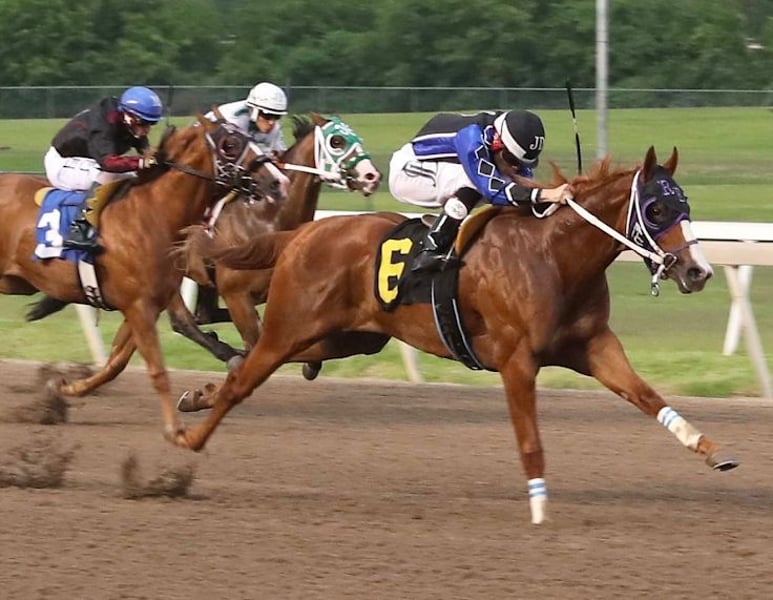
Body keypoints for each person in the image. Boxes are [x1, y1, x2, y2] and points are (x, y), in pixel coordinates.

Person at [389, 109, 573, 272]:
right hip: (408, 172)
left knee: (513, 187)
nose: (515, 167)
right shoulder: (471, 138)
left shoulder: (507, 139)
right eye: (511, 159)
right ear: (497, 142)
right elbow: (492, 190)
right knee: (475, 182)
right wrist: (546, 194)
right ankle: (430, 248)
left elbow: (525, 188)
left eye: (521, 163)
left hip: (442, 168)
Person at [44, 85, 164, 251]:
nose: (147, 129)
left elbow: (142, 144)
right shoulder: (103, 125)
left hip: (85, 160)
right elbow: (108, 163)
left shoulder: (126, 119)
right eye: (143, 123)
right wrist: (142, 162)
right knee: (111, 175)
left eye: (151, 124)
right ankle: (79, 229)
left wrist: (154, 156)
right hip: (62, 164)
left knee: (133, 174)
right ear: (128, 116)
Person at [206, 81, 287, 155]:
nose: (272, 122)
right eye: (267, 116)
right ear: (253, 110)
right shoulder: (234, 120)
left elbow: (280, 153)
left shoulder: (275, 127)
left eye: (277, 116)